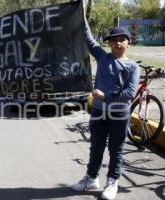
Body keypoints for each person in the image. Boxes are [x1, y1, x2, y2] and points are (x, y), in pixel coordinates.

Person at [70, 18, 140, 199]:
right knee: (96, 146)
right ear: (109, 43)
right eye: (113, 40)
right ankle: (91, 178)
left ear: (128, 43)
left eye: (121, 39)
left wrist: (104, 96)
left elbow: (129, 94)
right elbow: (89, 39)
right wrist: (82, 14)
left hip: (119, 113)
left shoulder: (133, 67)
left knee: (116, 149)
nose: (117, 43)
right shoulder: (103, 57)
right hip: (99, 112)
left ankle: (112, 181)